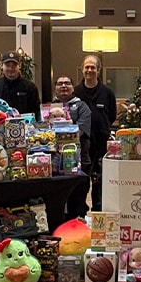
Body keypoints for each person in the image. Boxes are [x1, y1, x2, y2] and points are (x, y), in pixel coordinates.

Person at [74, 54, 116, 212]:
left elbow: (111, 115)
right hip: (81, 144)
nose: (89, 70)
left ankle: (99, 211)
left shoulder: (107, 93)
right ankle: (79, 212)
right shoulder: (76, 93)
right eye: (87, 67)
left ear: (98, 70)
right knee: (81, 180)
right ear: (82, 70)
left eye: (93, 67)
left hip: (101, 144)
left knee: (100, 181)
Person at [53, 74, 92, 219]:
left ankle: (79, 222)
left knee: (78, 195)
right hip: (56, 162)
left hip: (78, 159)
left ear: (73, 88)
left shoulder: (82, 106)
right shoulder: (49, 108)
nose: (63, 86)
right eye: (60, 83)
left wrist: (61, 136)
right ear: (55, 88)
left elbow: (80, 131)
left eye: (67, 83)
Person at [0, 51, 41, 121]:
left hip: (25, 128)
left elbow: (36, 111)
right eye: (7, 65)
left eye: (14, 65)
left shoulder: (30, 87)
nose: (11, 68)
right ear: (1, 66)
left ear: (19, 66)